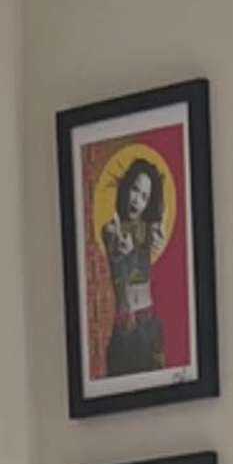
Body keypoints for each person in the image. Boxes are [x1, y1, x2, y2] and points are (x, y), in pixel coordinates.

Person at [96, 150, 171, 379]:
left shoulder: (149, 231)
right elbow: (115, 249)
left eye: (144, 196)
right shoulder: (111, 229)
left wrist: (157, 238)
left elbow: (154, 239)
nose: (137, 199)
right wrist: (120, 250)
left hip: (149, 328)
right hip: (124, 332)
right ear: (126, 188)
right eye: (135, 190)